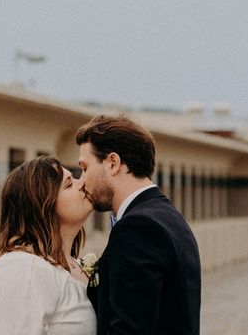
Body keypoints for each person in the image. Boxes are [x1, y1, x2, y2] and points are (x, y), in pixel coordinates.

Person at [76, 115, 201, 335]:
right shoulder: (168, 216)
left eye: (85, 168)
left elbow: (129, 329)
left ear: (113, 163)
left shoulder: (138, 228)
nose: (82, 179)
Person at [0, 156, 97, 335]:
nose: (82, 183)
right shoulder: (21, 268)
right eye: (69, 184)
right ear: (43, 205)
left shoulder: (73, 267)